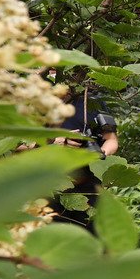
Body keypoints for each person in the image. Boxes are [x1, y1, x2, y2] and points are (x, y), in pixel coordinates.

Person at [51, 84, 119, 228]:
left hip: (84, 178)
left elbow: (111, 140)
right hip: (46, 181)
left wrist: (99, 153)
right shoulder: (33, 101)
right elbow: (15, 144)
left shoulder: (90, 102)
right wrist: (55, 142)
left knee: (98, 227)